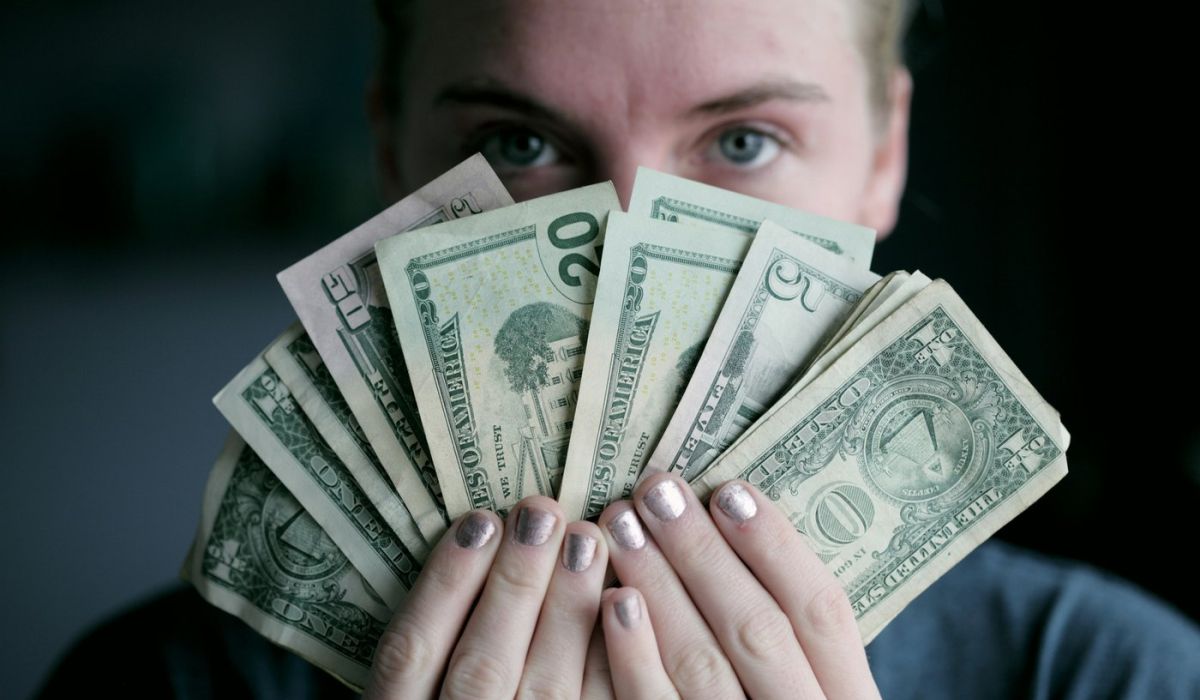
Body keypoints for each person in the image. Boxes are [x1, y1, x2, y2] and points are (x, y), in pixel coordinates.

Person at [37, 0, 1200, 698]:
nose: (627, 241)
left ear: (886, 154)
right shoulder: (161, 688)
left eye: (744, 139)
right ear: (390, 148)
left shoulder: (1115, 677)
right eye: (519, 138)